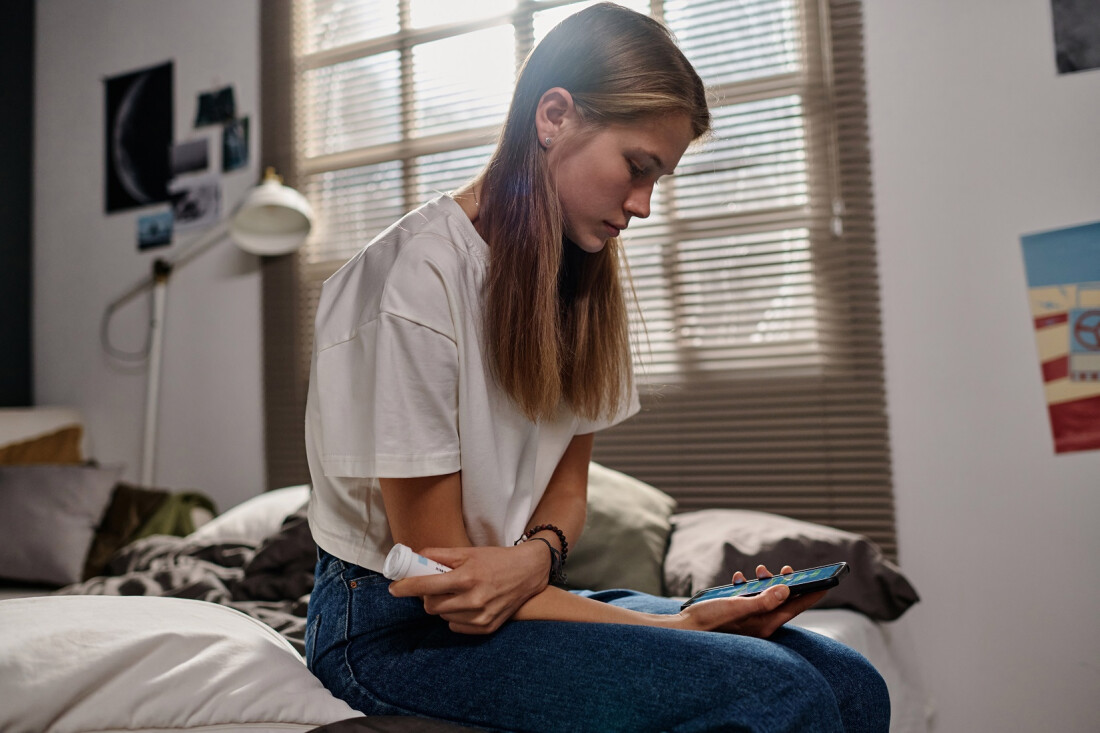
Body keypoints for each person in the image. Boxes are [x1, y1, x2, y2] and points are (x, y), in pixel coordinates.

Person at [303, 4, 890, 731]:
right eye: (637, 168)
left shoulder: (579, 283)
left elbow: (567, 486)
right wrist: (679, 626)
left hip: (512, 592)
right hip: (391, 626)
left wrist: (536, 557)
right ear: (554, 116)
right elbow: (445, 580)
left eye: (659, 180)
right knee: (778, 691)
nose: (642, 205)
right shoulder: (412, 282)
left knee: (852, 680)